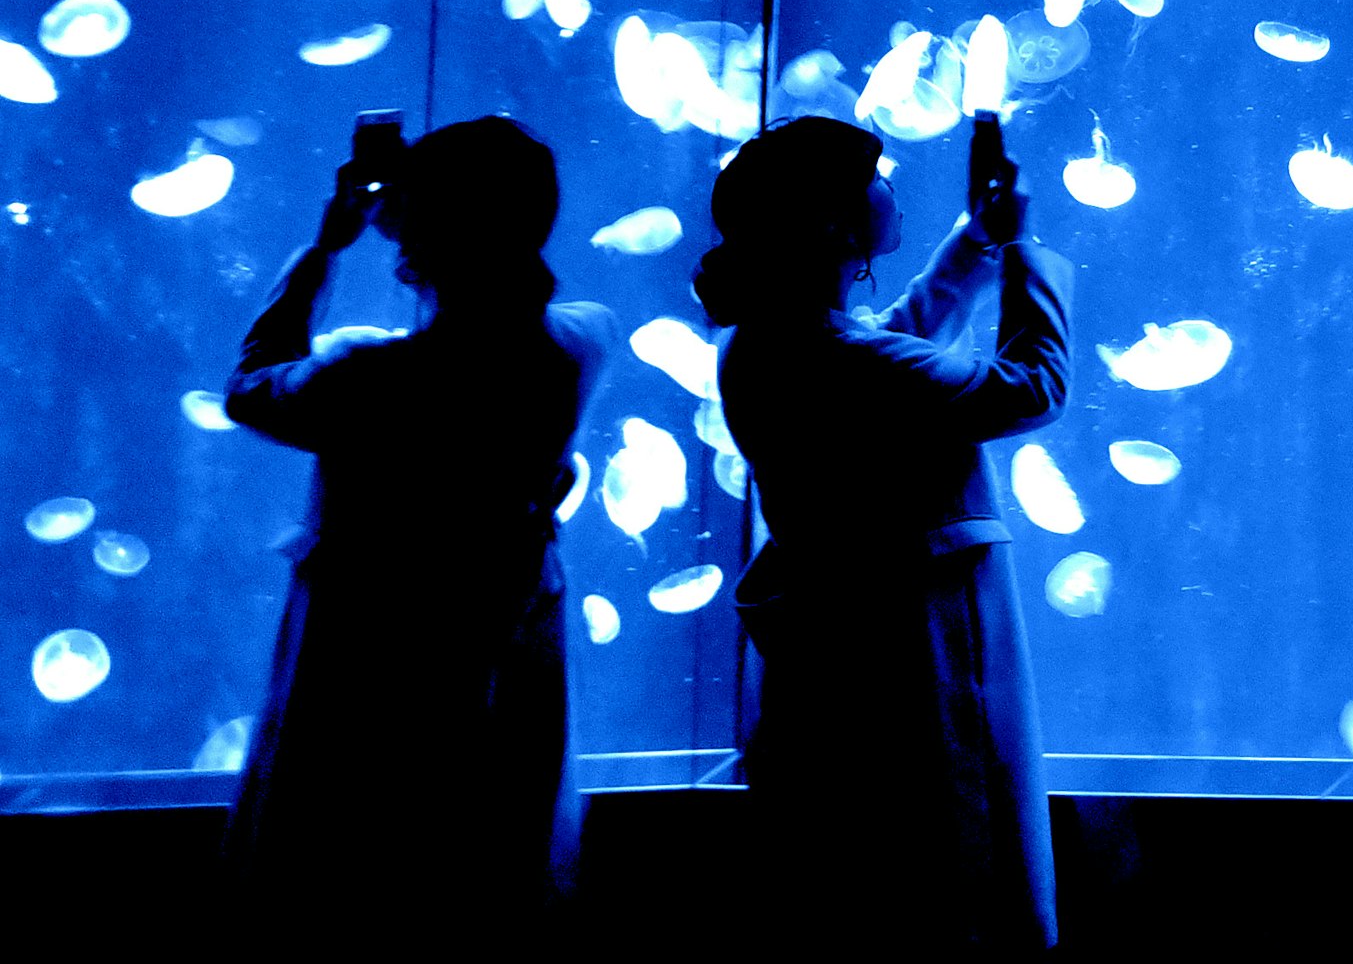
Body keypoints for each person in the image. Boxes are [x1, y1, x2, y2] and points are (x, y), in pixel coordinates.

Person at [223, 115, 615, 931]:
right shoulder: (580, 344)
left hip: (374, 655)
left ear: (419, 228)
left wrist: (330, 246)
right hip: (508, 629)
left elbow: (251, 384)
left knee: (358, 869)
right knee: (492, 855)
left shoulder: (371, 379)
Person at [702, 114, 1071, 948]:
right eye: (877, 176)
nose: (891, 189)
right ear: (833, 223)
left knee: (877, 888)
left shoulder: (774, 339)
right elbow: (1030, 390)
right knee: (951, 884)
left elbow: (892, 346)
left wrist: (978, 241)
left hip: (856, 642)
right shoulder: (837, 358)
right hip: (917, 651)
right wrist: (1018, 252)